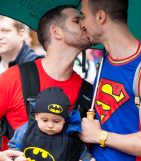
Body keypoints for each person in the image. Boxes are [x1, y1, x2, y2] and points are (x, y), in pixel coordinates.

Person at [79, 0, 141, 161]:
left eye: (84, 16)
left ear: (100, 17)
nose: (82, 24)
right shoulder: (106, 58)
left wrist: (100, 135)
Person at [0, 5, 91, 150]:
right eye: (77, 20)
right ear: (56, 32)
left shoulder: (88, 93)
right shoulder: (13, 78)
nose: (85, 24)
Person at [9, 87, 93, 161]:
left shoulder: (70, 134)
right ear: (36, 116)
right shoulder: (26, 130)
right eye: (45, 120)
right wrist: (16, 157)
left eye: (56, 121)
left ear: (64, 120)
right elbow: (13, 145)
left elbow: (83, 153)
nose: (50, 125)